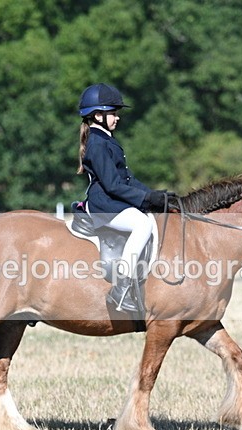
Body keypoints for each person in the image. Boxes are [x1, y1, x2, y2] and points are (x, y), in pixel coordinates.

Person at [76, 83, 173, 312]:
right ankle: (121, 287)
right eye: (113, 113)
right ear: (98, 115)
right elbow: (113, 184)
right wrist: (146, 199)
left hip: (113, 202)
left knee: (148, 218)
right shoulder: (97, 143)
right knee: (142, 223)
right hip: (104, 205)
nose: (117, 118)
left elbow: (127, 179)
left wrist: (155, 196)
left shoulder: (107, 139)